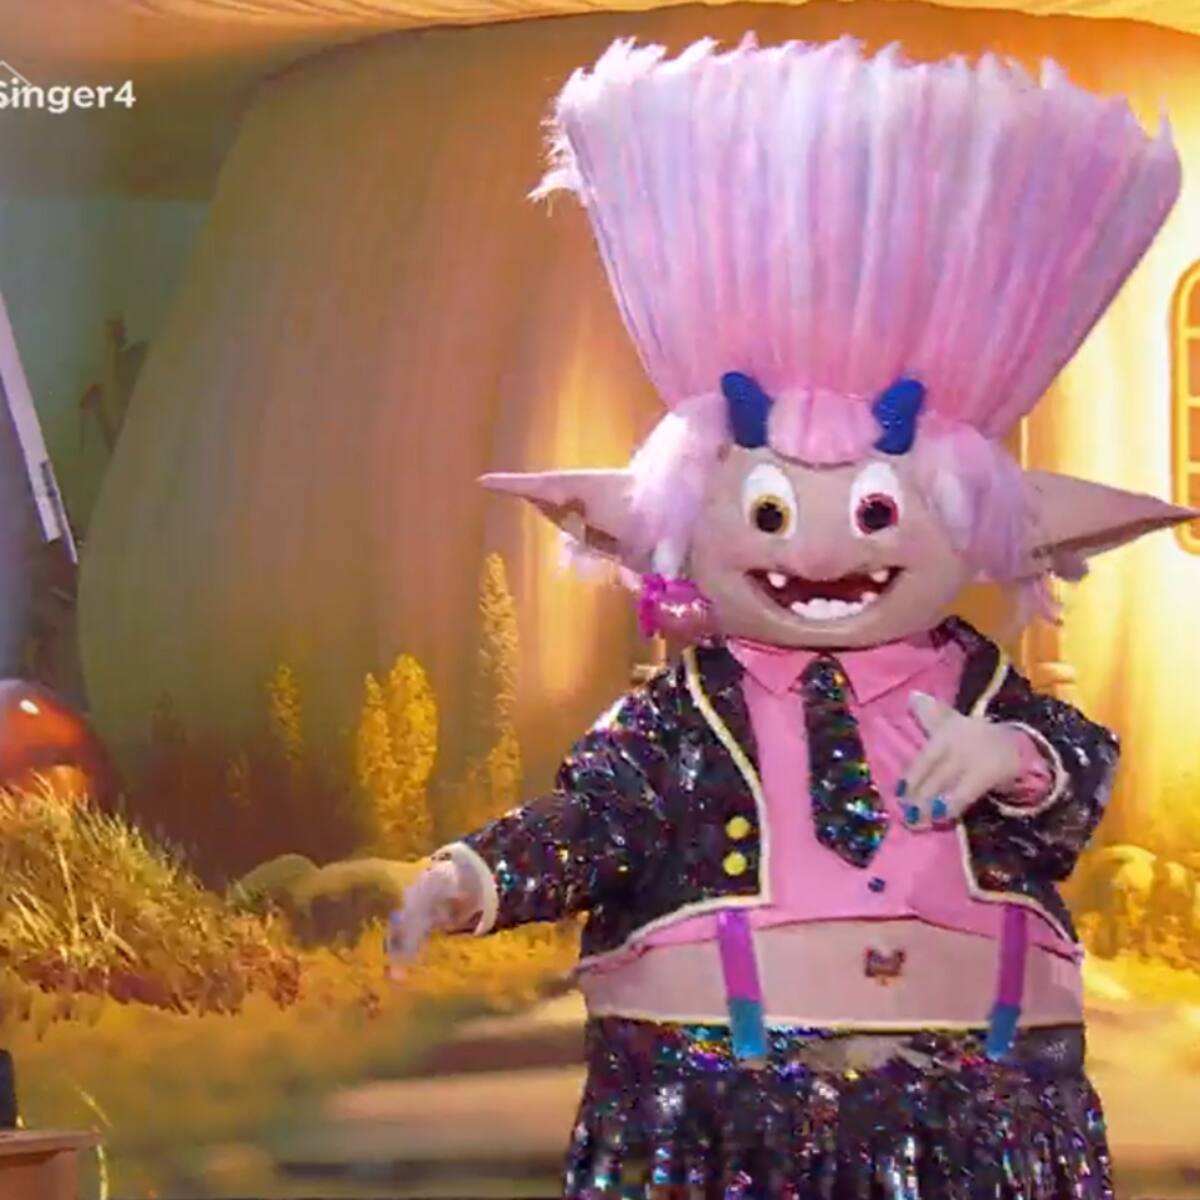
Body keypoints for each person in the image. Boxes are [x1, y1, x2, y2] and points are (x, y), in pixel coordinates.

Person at [389, 35, 1193, 1198]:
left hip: (981, 1116)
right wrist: (472, 876)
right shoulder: (681, 719)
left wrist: (1010, 755)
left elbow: (1077, 772)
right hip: (721, 1117)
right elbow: (595, 822)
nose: (817, 554)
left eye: (874, 512)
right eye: (769, 513)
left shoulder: (975, 686)